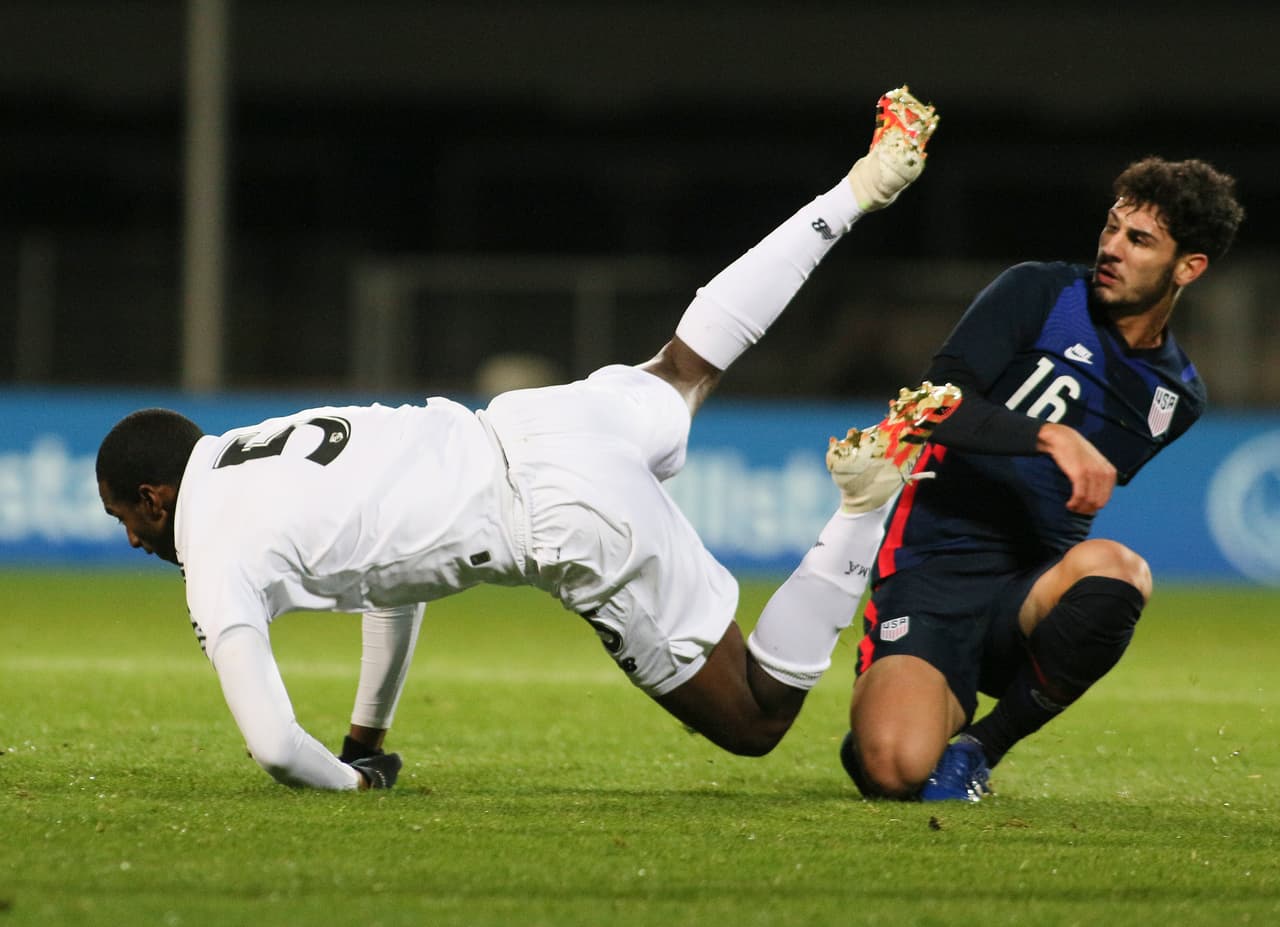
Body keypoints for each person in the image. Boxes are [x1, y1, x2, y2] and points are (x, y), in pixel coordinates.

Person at [96, 87, 959, 790]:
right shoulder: (262, 442)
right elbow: (390, 581)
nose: (133, 539)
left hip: (560, 513)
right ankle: (859, 191)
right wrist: (366, 734)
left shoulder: (212, 550)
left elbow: (278, 746)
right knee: (686, 363)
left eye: (124, 519)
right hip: (539, 418)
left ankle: (862, 507)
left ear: (156, 496)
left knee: (756, 717)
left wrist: (351, 784)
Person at [833, 155, 1245, 801]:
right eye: (1111, 227)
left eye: (1139, 240)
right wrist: (1050, 434)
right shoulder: (1040, 293)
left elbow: (1068, 508)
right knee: (891, 768)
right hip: (932, 573)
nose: (1111, 247)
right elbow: (932, 403)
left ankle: (978, 747)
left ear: (1188, 267)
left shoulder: (1176, 398)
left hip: (1027, 591)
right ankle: (914, 697)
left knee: (1121, 570)